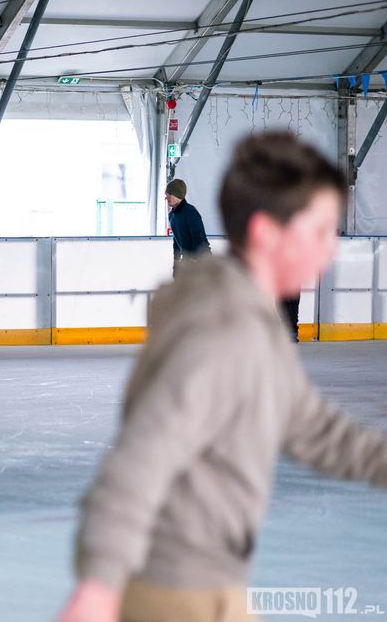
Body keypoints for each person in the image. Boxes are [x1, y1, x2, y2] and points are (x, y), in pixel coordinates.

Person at [56, 132, 387, 622]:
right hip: (176, 590)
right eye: (317, 231)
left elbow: (315, 429)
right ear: (267, 233)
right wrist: (99, 584)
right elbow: (141, 458)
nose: (329, 251)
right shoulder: (221, 332)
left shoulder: (252, 323)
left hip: (214, 582)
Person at [165, 178, 211, 276]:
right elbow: (176, 241)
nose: (166, 197)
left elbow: (198, 239)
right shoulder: (172, 215)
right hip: (187, 259)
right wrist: (176, 262)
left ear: (176, 195)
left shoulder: (191, 212)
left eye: (168, 194)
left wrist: (192, 263)